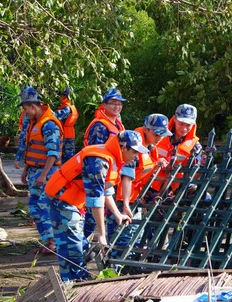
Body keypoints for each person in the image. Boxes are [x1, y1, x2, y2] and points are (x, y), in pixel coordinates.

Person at [45, 130, 147, 281]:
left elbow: (106, 190)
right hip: (61, 200)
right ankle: (73, 284)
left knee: (76, 243)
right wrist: (102, 234)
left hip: (74, 202)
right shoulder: (99, 161)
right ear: (124, 148)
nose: (136, 156)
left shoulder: (112, 157)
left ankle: (77, 280)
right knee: (72, 247)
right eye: (134, 151)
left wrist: (118, 215)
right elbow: (96, 200)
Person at [107, 114, 171, 259]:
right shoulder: (133, 144)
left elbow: (143, 168)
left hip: (134, 197)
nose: (160, 138)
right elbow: (126, 177)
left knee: (135, 236)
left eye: (162, 135)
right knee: (123, 238)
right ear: (146, 129)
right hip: (122, 198)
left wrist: (157, 164)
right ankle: (116, 270)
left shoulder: (150, 145)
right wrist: (124, 204)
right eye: (156, 134)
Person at [19, 86, 63, 252]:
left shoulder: (49, 125)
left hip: (46, 172)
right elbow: (32, 149)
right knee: (36, 206)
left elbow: (52, 153)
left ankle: (52, 242)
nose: (25, 113)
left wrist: (43, 175)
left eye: (25, 109)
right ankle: (49, 240)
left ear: (32, 106)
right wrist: (25, 170)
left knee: (42, 207)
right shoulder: (34, 123)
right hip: (34, 170)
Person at [82, 88, 127, 238]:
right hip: (98, 176)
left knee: (107, 213)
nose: (117, 107)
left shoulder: (117, 124)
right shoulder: (100, 126)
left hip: (111, 175)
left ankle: (100, 242)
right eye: (113, 103)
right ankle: (81, 243)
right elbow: (95, 154)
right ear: (104, 105)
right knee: (92, 214)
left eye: (119, 104)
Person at [151, 104, 202, 194]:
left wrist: (202, 165)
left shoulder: (195, 146)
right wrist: (157, 162)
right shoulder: (158, 134)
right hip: (150, 183)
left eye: (188, 125)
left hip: (175, 188)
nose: (184, 128)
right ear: (175, 119)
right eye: (181, 123)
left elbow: (195, 174)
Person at [54, 88, 78, 163]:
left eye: (60, 96)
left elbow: (58, 116)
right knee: (69, 156)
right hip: (69, 133)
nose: (59, 97)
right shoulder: (71, 106)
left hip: (65, 134)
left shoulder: (66, 107)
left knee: (66, 157)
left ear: (64, 96)